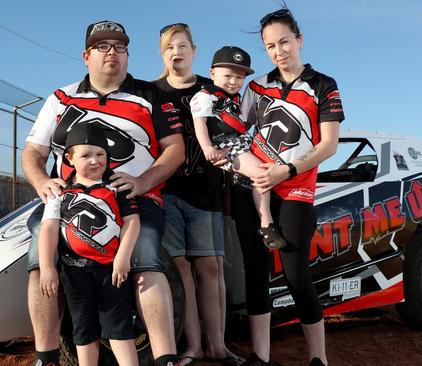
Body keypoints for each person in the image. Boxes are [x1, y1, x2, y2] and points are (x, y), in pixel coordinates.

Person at [22, 20, 185, 366]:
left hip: (134, 199)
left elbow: (175, 150)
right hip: (69, 203)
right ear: (86, 55)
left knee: (145, 260)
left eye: (120, 46)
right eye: (103, 46)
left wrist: (144, 181)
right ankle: (46, 357)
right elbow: (32, 153)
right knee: (41, 259)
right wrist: (41, 183)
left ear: (127, 55)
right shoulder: (61, 97)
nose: (112, 52)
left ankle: (165, 358)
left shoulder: (153, 95)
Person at [235, 8, 345, 366]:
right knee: (256, 271)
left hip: (296, 188)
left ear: (299, 40)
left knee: (296, 274)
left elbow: (328, 145)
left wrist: (287, 170)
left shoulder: (323, 85)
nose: (278, 51)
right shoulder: (257, 86)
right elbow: (237, 127)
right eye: (270, 46)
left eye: (284, 41)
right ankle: (260, 356)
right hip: (255, 186)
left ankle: (318, 358)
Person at [153, 24, 240, 366]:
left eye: (183, 45)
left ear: (194, 50)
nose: (177, 51)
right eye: (170, 47)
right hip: (168, 191)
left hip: (207, 192)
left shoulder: (213, 89)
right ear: (163, 54)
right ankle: (192, 346)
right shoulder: (153, 92)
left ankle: (217, 345)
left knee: (211, 268)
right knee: (181, 269)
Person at [39, 124, 140, 366]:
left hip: (111, 271)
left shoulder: (117, 186)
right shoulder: (59, 192)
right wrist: (47, 267)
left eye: (100, 155)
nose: (94, 161)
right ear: (69, 158)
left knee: (119, 328)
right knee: (83, 330)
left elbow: (132, 222)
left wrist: (122, 258)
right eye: (86, 155)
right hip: (73, 271)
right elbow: (49, 229)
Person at [190, 46, 286, 250]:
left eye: (239, 78)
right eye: (228, 76)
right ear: (212, 73)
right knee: (262, 173)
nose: (234, 82)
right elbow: (199, 124)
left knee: (269, 168)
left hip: (242, 142)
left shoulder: (234, 99)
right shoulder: (204, 96)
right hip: (224, 144)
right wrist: (208, 148)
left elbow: (243, 124)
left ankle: (265, 214)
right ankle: (267, 225)